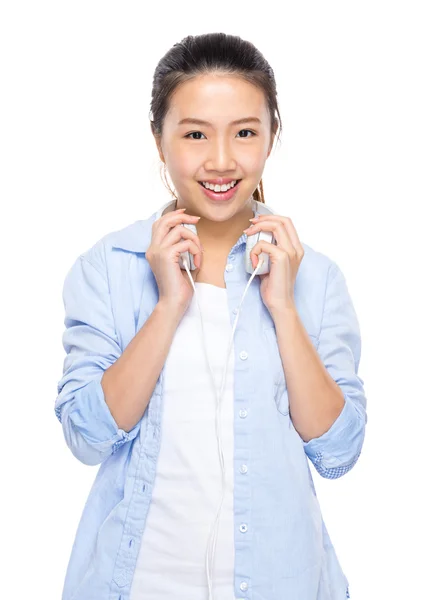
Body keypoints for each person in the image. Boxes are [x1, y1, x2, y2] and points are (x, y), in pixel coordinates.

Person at [55, 32, 366, 600]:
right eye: (195, 133)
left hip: (280, 582)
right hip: (137, 582)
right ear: (159, 140)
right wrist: (172, 304)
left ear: (272, 138)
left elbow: (339, 452)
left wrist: (282, 307)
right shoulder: (110, 268)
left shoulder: (315, 279)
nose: (221, 161)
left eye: (245, 132)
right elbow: (87, 436)